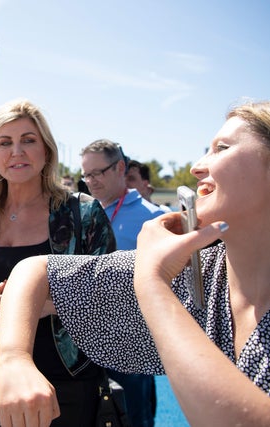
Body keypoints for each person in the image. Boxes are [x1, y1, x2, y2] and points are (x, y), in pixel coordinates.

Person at [0, 100, 270, 427]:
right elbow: (37, 272)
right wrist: (13, 358)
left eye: (222, 149)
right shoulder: (206, 276)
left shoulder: (183, 277)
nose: (198, 167)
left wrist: (152, 283)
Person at [0, 99, 116, 426]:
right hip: (3, 380)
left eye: (28, 140)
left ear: (46, 151)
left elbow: (110, 293)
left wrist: (37, 305)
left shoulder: (83, 214)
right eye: (5, 143)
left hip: (71, 377)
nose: (16, 151)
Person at [80, 139, 166, 426]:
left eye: (97, 173)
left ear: (119, 167)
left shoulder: (156, 219)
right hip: (86, 338)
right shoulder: (82, 214)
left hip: (132, 339)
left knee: (134, 416)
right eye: (86, 175)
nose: (90, 182)